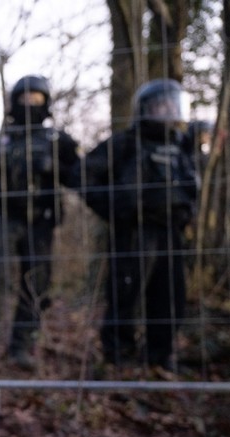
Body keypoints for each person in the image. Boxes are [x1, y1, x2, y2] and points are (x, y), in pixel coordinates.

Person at [79, 78, 198, 371]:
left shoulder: (182, 146)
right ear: (146, 109)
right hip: (133, 232)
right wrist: (115, 206)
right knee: (125, 293)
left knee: (170, 293)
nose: (168, 111)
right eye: (161, 106)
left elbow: (192, 186)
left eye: (173, 105)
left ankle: (161, 355)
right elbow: (82, 176)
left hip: (171, 232)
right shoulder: (125, 143)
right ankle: (119, 354)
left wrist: (188, 211)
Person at [0, 75, 80, 370]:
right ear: (14, 101)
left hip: (41, 222)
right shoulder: (2, 139)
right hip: (4, 218)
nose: (29, 103)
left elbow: (81, 178)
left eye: (36, 98)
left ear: (46, 103)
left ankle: (23, 346)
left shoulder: (58, 140)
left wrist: (55, 167)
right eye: (24, 98)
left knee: (37, 285)